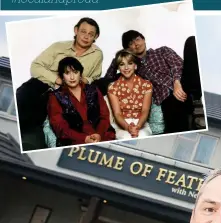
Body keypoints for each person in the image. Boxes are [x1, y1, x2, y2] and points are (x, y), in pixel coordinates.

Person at [16, 17, 103, 150]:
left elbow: (96, 76)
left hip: (68, 93)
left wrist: (87, 80)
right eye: (83, 32)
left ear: (95, 36)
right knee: (24, 96)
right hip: (44, 84)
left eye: (91, 34)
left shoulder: (97, 54)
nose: (86, 37)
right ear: (76, 30)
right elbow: (36, 66)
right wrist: (56, 80)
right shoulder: (58, 47)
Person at [98, 31, 203, 134]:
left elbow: (177, 65)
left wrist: (176, 82)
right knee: (174, 120)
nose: (136, 44)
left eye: (137, 39)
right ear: (128, 49)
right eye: (131, 44)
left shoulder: (162, 51)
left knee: (191, 42)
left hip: (182, 83)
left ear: (143, 40)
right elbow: (108, 79)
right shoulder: (133, 69)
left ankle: (195, 94)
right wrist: (120, 56)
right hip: (166, 98)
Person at [47, 57, 115, 146]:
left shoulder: (93, 90)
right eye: (67, 73)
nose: (72, 77)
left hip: (101, 135)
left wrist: (99, 134)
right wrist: (84, 138)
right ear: (62, 76)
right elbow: (59, 127)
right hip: (74, 140)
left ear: (80, 74)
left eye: (75, 72)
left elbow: (104, 115)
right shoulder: (55, 96)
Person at [106, 50, 153, 140]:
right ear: (119, 68)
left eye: (130, 63)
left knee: (143, 136)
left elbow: (145, 111)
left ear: (135, 66)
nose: (126, 67)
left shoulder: (147, 85)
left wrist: (137, 127)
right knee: (126, 138)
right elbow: (117, 113)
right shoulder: (113, 87)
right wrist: (128, 128)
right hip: (121, 124)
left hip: (141, 123)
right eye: (122, 64)